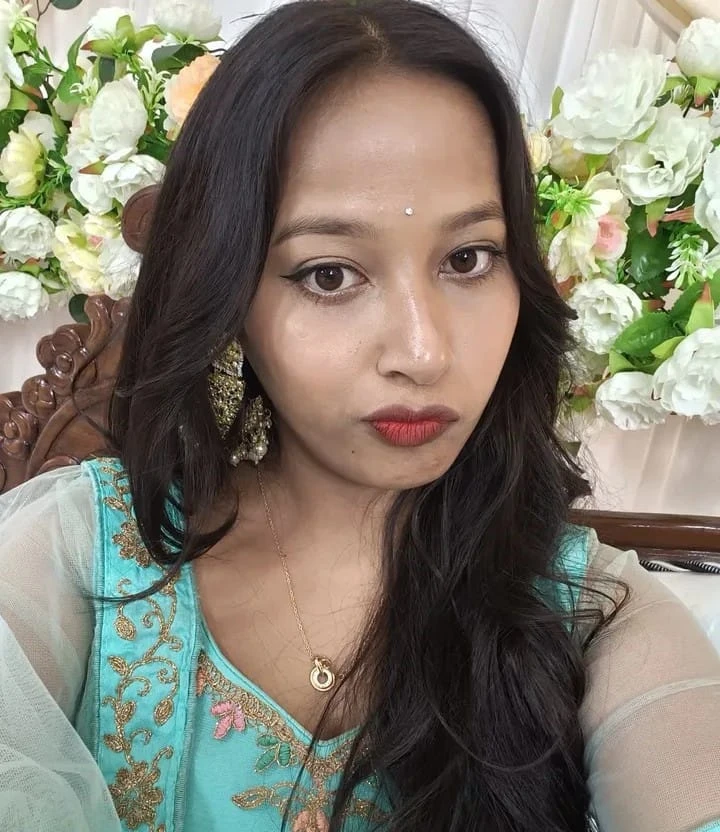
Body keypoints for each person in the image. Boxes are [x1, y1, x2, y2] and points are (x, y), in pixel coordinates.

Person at [0, 1, 718, 830]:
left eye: (468, 258)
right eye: (330, 275)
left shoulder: (591, 613)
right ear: (229, 295)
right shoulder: (79, 558)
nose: (423, 351)